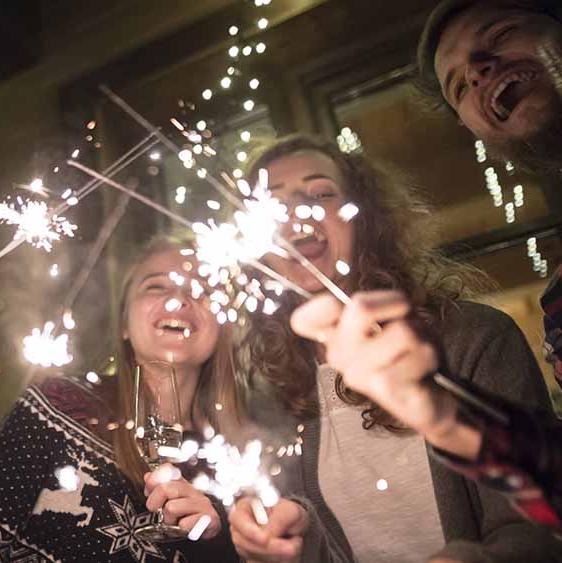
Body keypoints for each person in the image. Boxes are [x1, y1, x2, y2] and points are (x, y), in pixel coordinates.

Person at [285, 0, 562, 536]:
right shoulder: (557, 305)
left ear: (366, 215)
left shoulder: (474, 337)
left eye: (502, 33)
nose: (479, 70)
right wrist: (447, 418)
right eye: (459, 85)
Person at [228, 134, 562, 562]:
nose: (298, 211)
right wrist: (292, 539)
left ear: (364, 217)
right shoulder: (272, 387)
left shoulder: (476, 337)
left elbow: (540, 527)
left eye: (321, 193)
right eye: (275, 203)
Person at [0, 236, 246, 562]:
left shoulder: (243, 465)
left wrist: (214, 539)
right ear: (124, 323)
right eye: (155, 286)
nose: (177, 300)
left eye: (201, 288)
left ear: (223, 324)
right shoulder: (56, 402)